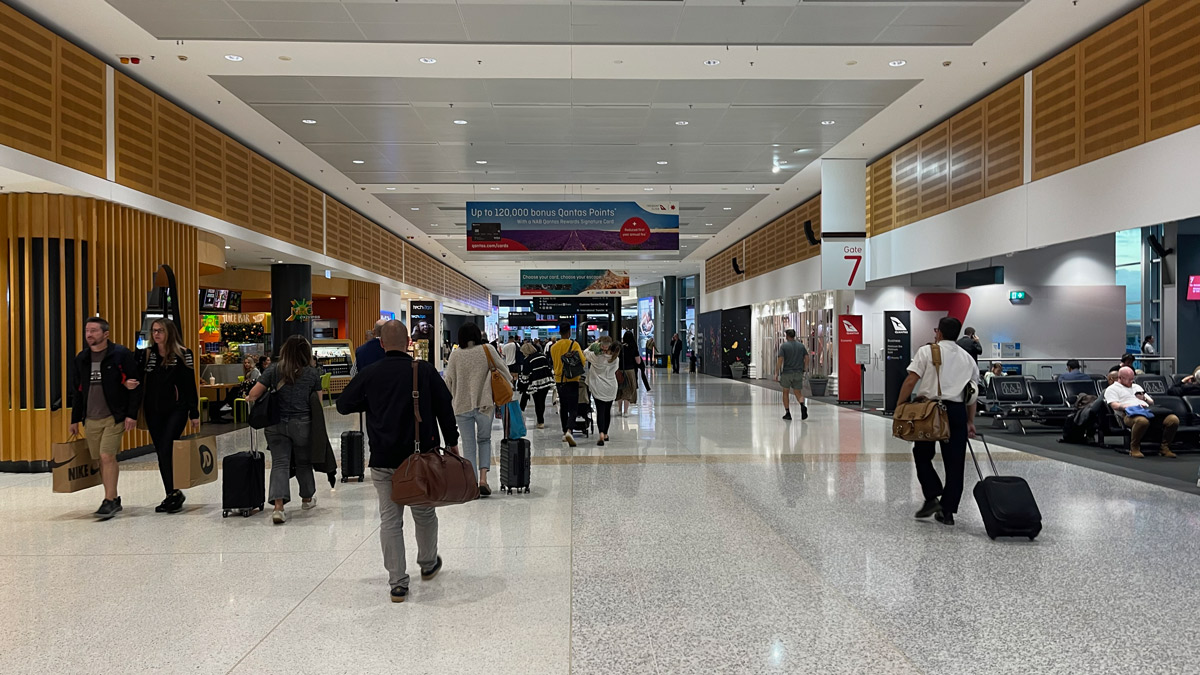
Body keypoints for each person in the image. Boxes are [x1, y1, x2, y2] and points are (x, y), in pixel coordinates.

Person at [336, 320, 458, 604]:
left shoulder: (370, 373)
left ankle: (398, 583)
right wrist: (452, 442)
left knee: (390, 520)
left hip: (383, 459)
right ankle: (427, 563)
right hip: (420, 459)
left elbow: (343, 404)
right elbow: (444, 407)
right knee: (424, 513)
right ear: (408, 343)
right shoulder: (424, 371)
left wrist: (372, 402)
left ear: (380, 343)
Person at [896, 316, 979, 527]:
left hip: (929, 411)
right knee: (955, 462)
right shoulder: (967, 358)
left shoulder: (927, 351)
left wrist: (900, 406)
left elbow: (911, 380)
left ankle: (932, 494)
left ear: (939, 332)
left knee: (922, 454)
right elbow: (972, 394)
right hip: (957, 411)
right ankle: (948, 512)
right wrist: (970, 420)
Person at [69, 317, 142, 520]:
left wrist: (131, 414)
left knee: (107, 456)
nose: (89, 335)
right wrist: (74, 419)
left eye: (93, 331)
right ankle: (114, 497)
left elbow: (135, 385)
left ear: (105, 334)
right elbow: (77, 391)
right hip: (91, 417)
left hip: (114, 415)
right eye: (87, 331)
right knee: (100, 459)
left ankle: (109, 500)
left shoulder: (120, 355)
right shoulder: (81, 358)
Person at [246, 335, 323, 524]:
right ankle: (306, 498)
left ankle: (279, 507)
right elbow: (318, 403)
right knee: (304, 462)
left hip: (275, 423)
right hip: (302, 423)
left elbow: (254, 394)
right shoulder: (312, 373)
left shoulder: (273, 370)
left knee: (280, 462)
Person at [131, 318, 201, 514]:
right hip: (153, 410)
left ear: (169, 332)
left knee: (167, 446)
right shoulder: (148, 355)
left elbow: (189, 384)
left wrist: (194, 412)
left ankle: (174, 492)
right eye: (154, 331)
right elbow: (137, 377)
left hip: (176, 409)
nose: (156, 334)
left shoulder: (183, 354)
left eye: (160, 330)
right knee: (162, 452)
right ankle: (172, 492)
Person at [443, 323, 508, 496]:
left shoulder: (455, 355)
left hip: (461, 406)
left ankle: (471, 484)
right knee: (484, 440)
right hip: (484, 405)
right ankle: (483, 479)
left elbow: (448, 381)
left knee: (469, 445)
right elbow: (504, 370)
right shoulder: (487, 349)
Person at [1103, 366, 1178, 458]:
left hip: (1147, 411)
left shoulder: (1136, 386)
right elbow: (1114, 405)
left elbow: (1151, 402)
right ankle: (1134, 448)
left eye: (1132, 378)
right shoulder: (1112, 389)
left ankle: (1165, 447)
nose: (1132, 381)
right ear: (1120, 378)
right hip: (1128, 414)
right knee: (1142, 421)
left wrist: (1144, 398)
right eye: (1129, 379)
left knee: (1173, 420)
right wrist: (1129, 406)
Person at [550, 326, 585, 447]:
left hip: (559, 380)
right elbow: (582, 360)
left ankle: (564, 431)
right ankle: (570, 430)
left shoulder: (553, 347)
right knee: (573, 407)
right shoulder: (574, 344)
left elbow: (553, 362)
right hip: (572, 379)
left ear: (559, 333)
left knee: (563, 406)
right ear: (569, 332)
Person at [585, 336, 620, 446]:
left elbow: (585, 352)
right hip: (611, 387)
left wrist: (594, 344)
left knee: (600, 410)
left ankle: (600, 433)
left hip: (598, 387)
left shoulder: (596, 357)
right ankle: (605, 434)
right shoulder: (616, 359)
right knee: (607, 411)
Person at [518, 341, 554, 429]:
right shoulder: (542, 356)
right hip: (546, 382)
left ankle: (540, 421)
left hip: (535, 384)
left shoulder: (527, 360)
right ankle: (540, 420)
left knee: (537, 402)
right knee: (542, 401)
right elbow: (549, 368)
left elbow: (525, 376)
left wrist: (521, 385)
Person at [775, 328, 809, 421]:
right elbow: (807, 357)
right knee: (798, 392)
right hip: (798, 372)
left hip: (787, 373)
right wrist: (805, 369)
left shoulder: (784, 346)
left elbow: (780, 360)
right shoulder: (801, 346)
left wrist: (776, 373)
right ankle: (802, 405)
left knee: (785, 392)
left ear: (787, 336)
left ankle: (787, 413)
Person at [616, 331, 642, 416]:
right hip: (630, 371)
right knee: (628, 389)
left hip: (619, 371)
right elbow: (638, 361)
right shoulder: (633, 347)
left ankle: (619, 409)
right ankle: (626, 411)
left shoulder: (620, 347)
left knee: (620, 389)